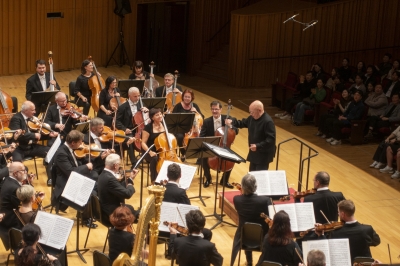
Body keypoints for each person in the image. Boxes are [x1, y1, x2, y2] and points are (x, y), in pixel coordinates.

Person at [315, 200, 380, 262]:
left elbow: (328, 248)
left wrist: (321, 235)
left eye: (338, 212)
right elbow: (377, 241)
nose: (338, 214)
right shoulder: (367, 229)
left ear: (343, 214)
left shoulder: (336, 233)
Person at [9, 101, 58, 180]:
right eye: (33, 110)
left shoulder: (32, 119)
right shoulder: (16, 119)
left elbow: (38, 135)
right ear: (26, 111)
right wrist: (33, 135)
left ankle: (51, 178)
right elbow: (18, 136)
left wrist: (48, 135)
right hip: (19, 148)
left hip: (31, 147)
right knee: (17, 164)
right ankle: (21, 183)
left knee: (51, 152)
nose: (35, 112)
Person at [230, 174, 272, 266]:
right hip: (262, 237)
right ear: (256, 187)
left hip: (244, 237)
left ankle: (249, 262)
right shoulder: (265, 200)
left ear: (243, 187)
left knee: (248, 228)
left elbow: (245, 198)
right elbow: (270, 216)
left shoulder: (237, 200)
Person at [52, 130, 94, 215]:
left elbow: (78, 164)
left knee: (95, 183)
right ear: (73, 143)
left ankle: (88, 214)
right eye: (80, 142)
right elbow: (71, 172)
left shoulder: (70, 149)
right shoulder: (62, 154)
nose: (81, 144)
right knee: (89, 192)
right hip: (66, 184)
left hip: (73, 179)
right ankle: (85, 217)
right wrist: (86, 167)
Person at [226, 100, 276, 171]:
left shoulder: (268, 122)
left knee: (259, 177)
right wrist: (232, 122)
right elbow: (243, 123)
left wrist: (258, 145)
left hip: (263, 155)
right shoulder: (252, 118)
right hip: (254, 153)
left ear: (259, 110)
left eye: (252, 112)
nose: (250, 114)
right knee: (252, 174)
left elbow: (270, 139)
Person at [200, 100, 238, 188]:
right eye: (213, 109)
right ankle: (208, 178)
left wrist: (230, 126)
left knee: (232, 158)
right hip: (211, 147)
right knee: (202, 157)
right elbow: (202, 135)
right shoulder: (207, 121)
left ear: (220, 109)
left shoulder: (227, 119)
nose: (214, 111)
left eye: (216, 109)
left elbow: (236, 130)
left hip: (224, 146)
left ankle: (224, 181)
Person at [97, 153, 139, 221]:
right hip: (112, 213)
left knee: (131, 208)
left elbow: (118, 187)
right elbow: (127, 194)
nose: (119, 166)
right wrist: (130, 186)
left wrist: (130, 179)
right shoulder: (110, 179)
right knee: (141, 215)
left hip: (106, 208)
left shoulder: (103, 174)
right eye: (119, 164)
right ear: (115, 166)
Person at [115, 87, 148, 166]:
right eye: (135, 96)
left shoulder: (142, 104)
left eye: (138, 96)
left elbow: (147, 118)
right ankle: (134, 162)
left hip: (140, 129)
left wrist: (147, 111)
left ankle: (148, 157)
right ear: (129, 96)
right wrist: (124, 129)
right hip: (128, 130)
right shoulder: (123, 107)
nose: (138, 98)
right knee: (130, 139)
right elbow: (117, 121)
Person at [172, 89, 204, 158]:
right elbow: (173, 118)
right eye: (185, 96)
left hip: (192, 129)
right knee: (180, 137)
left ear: (192, 98)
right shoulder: (178, 106)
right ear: (183, 97)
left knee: (201, 136)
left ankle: (195, 153)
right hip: (180, 128)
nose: (187, 98)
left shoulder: (194, 105)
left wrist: (196, 111)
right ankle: (183, 153)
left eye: (189, 97)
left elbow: (202, 117)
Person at [0, 162, 31, 229]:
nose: (26, 172)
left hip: (6, 215)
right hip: (11, 221)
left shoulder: (7, 179)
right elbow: (24, 204)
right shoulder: (15, 189)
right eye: (23, 170)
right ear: (15, 173)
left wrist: (28, 183)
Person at [141, 108, 165, 182]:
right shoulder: (148, 127)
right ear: (152, 118)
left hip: (162, 150)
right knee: (155, 158)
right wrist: (150, 152)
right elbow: (143, 143)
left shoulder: (165, 125)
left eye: (160, 114)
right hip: (149, 151)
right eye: (157, 115)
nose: (160, 116)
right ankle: (154, 180)